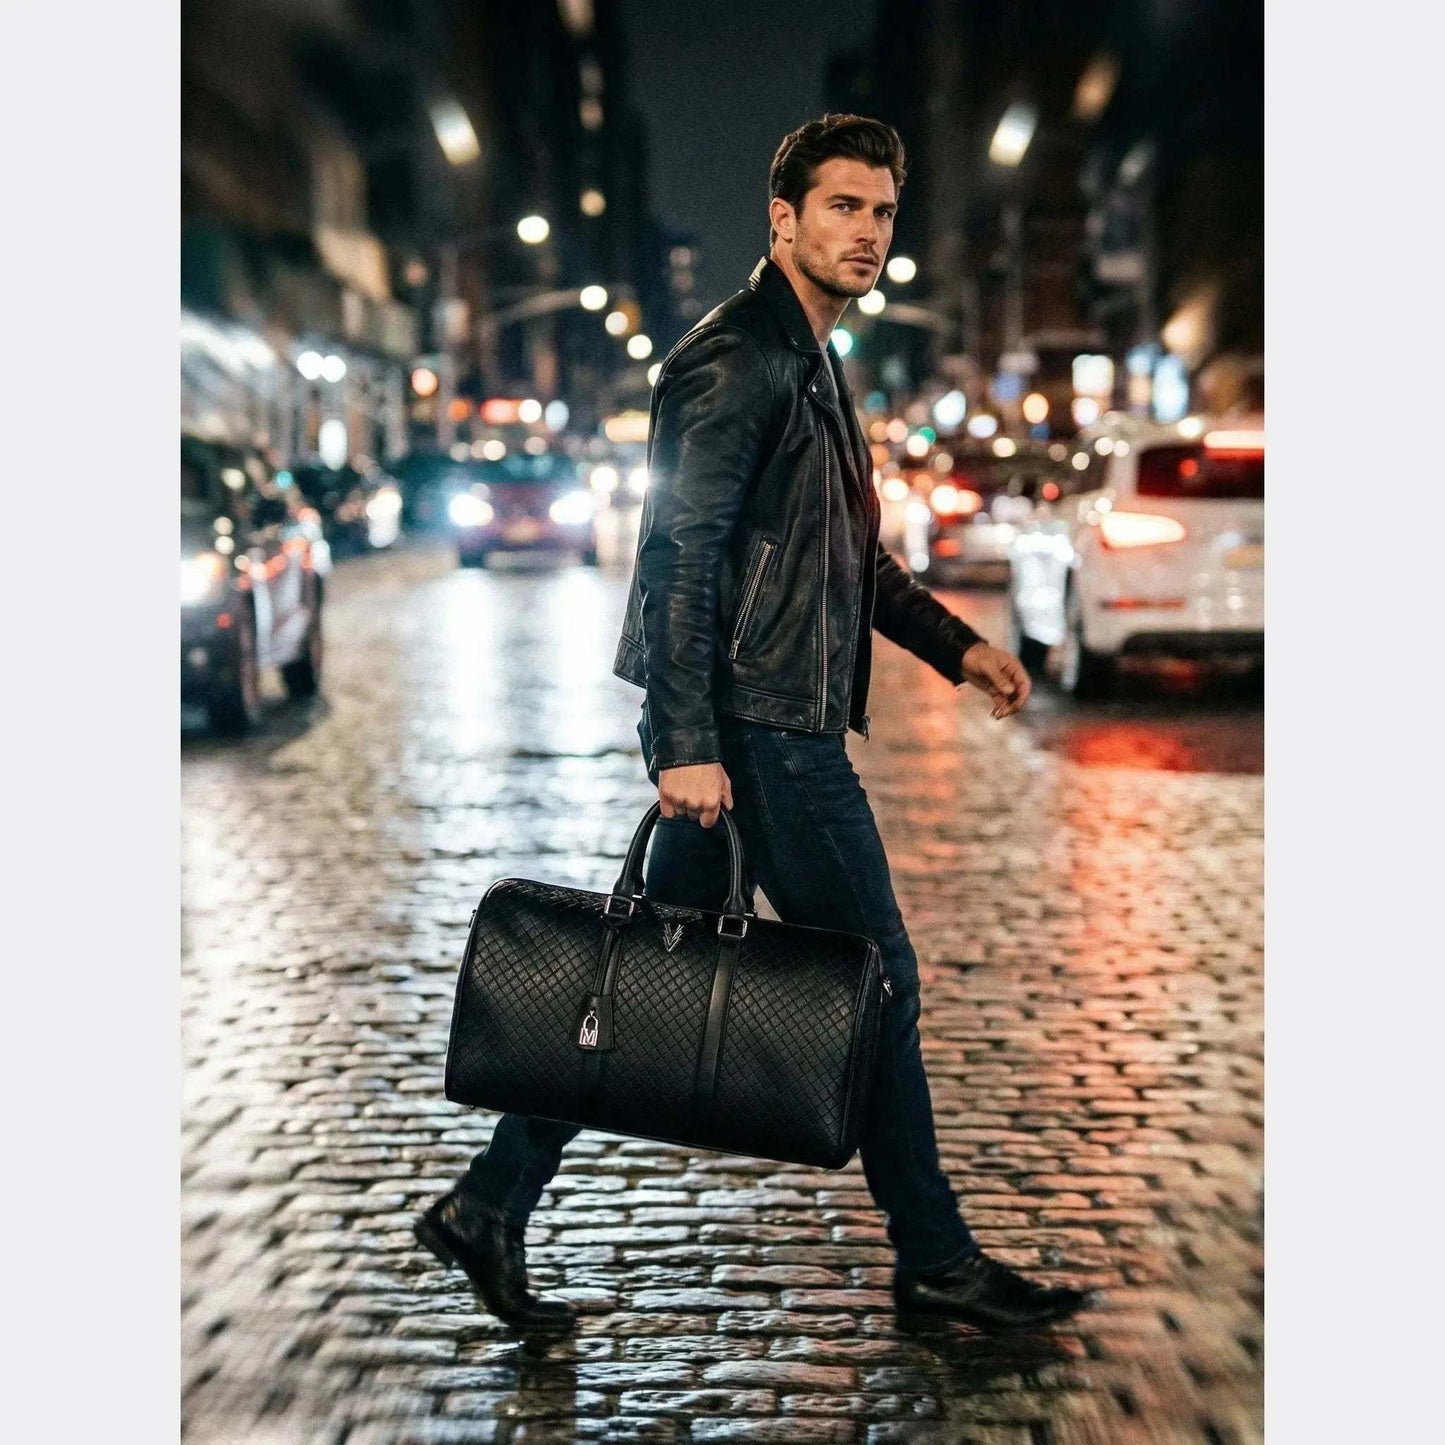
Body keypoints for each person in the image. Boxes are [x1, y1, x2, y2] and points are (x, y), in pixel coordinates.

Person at [416, 114, 1090, 1336]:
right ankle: (934, 1258)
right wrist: (686, 744)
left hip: (759, 722)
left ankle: (489, 1200)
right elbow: (680, 556)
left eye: (883, 211)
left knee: (628, 979)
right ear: (782, 220)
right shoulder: (737, 360)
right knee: (876, 977)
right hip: (756, 731)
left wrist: (959, 646)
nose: (867, 232)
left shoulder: (814, 364)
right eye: (843, 207)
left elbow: (847, 560)